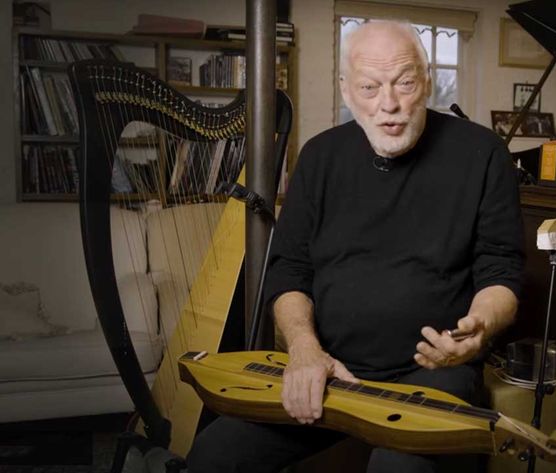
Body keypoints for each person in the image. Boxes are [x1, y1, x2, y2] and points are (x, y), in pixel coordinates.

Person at [187, 20, 524, 473]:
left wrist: (479, 327)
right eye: (369, 86)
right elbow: (288, 270)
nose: (389, 104)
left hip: (432, 372)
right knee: (215, 454)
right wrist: (305, 350)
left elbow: (501, 271)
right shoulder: (319, 157)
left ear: (426, 81)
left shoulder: (483, 153)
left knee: (398, 470)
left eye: (404, 82)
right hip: (329, 368)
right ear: (346, 90)